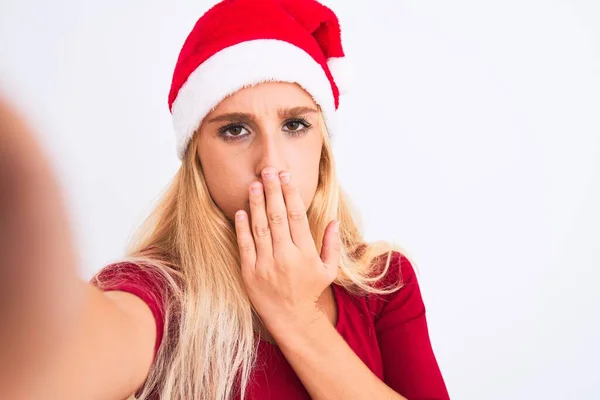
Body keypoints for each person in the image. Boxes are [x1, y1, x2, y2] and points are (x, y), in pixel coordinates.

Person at [0, 0, 450, 399]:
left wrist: (295, 315)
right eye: (235, 130)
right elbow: (65, 360)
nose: (271, 164)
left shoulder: (384, 283)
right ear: (197, 158)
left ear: (323, 146)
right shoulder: (156, 293)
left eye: (295, 125)